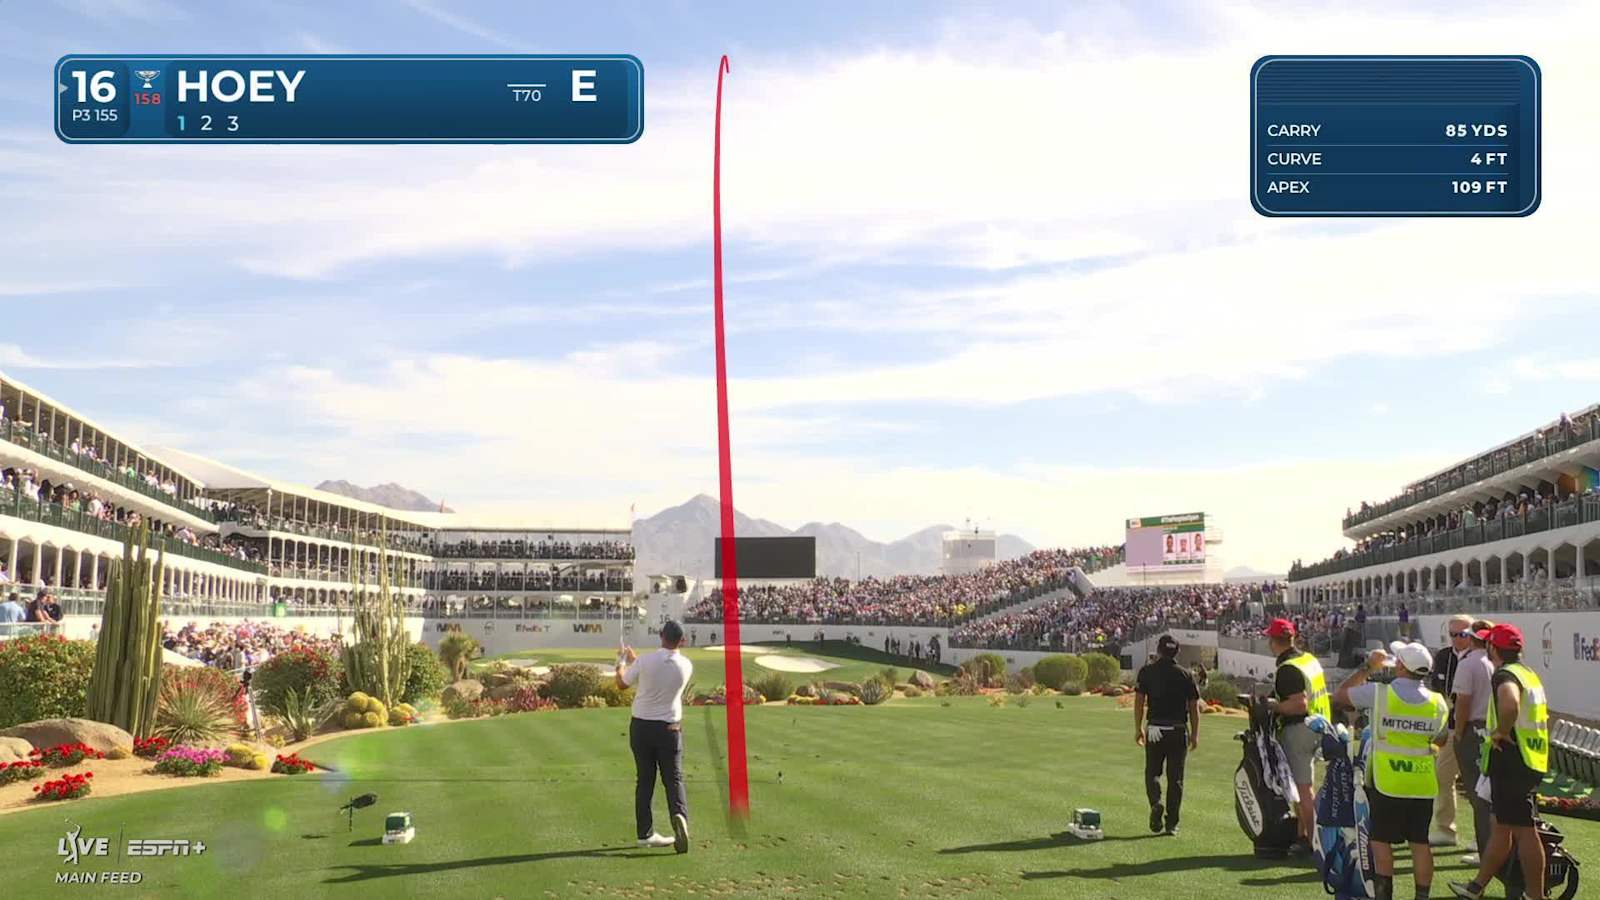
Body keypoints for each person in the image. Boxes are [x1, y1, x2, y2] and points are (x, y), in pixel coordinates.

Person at [1334, 642, 1448, 900]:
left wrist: (1368, 666)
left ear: (1400, 666)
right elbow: (1440, 739)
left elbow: (1341, 695)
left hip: (1387, 780)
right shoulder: (1438, 702)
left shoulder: (1379, 693)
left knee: (1381, 841)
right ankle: (1422, 896)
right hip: (1422, 781)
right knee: (1420, 843)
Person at [1449, 624, 1548, 900]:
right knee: (1502, 827)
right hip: (1529, 759)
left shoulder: (1505, 675)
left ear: (1493, 647)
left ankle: (1536, 896)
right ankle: (1476, 887)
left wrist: (1502, 731)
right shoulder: (1528, 674)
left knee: (1525, 832)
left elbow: (1509, 704)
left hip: (1513, 761)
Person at [617, 619, 693, 853]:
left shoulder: (645, 660)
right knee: (673, 779)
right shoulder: (686, 665)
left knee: (645, 780)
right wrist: (635, 661)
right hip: (669, 729)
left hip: (640, 728)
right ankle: (679, 816)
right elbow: (660, 668)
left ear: (661, 635)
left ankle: (645, 834)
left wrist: (621, 661)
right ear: (682, 641)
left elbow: (621, 683)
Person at [1264, 617, 1329, 853]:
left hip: (1299, 729)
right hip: (1318, 726)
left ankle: (1314, 842)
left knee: (1302, 790)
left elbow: (1298, 704)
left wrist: (1273, 707)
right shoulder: (1307, 659)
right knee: (1300, 786)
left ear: (1273, 641)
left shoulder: (1287, 668)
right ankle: (1302, 836)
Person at [1133, 634, 1200, 835]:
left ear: (1159, 650)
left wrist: (1138, 728)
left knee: (1152, 773)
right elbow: (1194, 707)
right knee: (1175, 778)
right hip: (1178, 730)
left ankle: (1155, 802)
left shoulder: (1147, 672)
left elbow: (1139, 702)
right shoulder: (1185, 675)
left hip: (1155, 729)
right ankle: (1171, 823)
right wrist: (1195, 734)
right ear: (1176, 652)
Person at [1450, 620, 1496, 868]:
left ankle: (1485, 849)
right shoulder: (1493, 664)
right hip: (1489, 729)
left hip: (1472, 730)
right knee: (1487, 793)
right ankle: (1489, 845)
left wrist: (1458, 732)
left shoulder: (1468, 665)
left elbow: (1463, 703)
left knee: (1478, 793)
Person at [1426, 614, 1472, 849]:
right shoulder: (1443, 656)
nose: (1456, 639)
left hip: (1475, 729)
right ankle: (1446, 830)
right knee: (1442, 777)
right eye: (1452, 634)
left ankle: (1483, 835)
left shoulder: (1479, 658)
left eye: (1462, 634)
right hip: (1450, 728)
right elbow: (1438, 692)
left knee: (1477, 784)